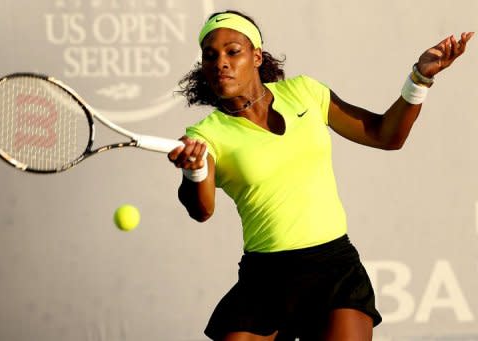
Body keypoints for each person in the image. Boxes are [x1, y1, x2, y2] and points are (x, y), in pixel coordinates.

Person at [167, 9, 473, 341]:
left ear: (256, 56)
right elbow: (202, 209)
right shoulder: (204, 134)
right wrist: (194, 169)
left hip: (333, 269)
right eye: (210, 56)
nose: (220, 63)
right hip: (264, 279)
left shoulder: (305, 93)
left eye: (232, 52)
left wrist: (420, 78)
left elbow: (386, 135)